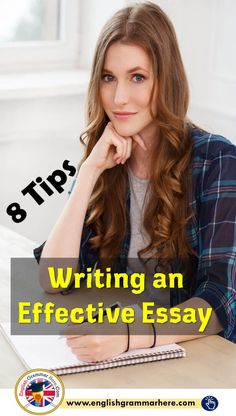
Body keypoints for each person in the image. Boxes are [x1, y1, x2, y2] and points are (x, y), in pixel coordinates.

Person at [34, 2, 236, 362]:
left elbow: (220, 300)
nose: (119, 97)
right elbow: (54, 279)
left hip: (192, 357)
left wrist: (128, 337)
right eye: (108, 78)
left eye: (137, 77)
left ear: (166, 80)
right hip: (121, 355)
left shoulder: (217, 160)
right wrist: (89, 174)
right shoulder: (105, 158)